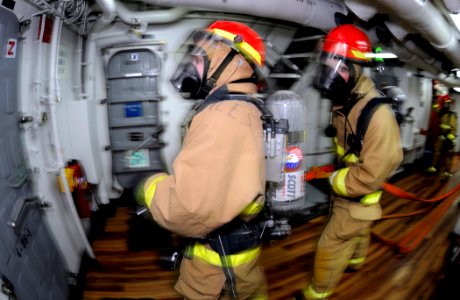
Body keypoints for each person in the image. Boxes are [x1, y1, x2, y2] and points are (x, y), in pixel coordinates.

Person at [136, 20, 268, 299]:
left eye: (199, 58)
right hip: (234, 257)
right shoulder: (244, 107)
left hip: (216, 269)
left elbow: (185, 209)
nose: (192, 66)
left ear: (231, 60)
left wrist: (149, 186)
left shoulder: (224, 116)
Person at [299, 24, 403, 299]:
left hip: (358, 194)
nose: (331, 74)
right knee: (358, 230)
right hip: (351, 192)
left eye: (340, 66)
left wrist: (335, 179)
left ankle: (316, 292)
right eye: (328, 65)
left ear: (357, 69)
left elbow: (374, 171)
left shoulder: (377, 116)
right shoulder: (345, 100)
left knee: (330, 244)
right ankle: (356, 261)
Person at [426, 95, 457, 179]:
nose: (446, 105)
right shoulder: (442, 112)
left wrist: (450, 137)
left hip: (448, 138)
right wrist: (436, 101)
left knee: (447, 155)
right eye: (444, 103)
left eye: (447, 103)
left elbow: (453, 127)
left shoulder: (451, 115)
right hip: (441, 137)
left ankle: (446, 172)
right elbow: (436, 109)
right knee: (437, 152)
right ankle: (434, 168)